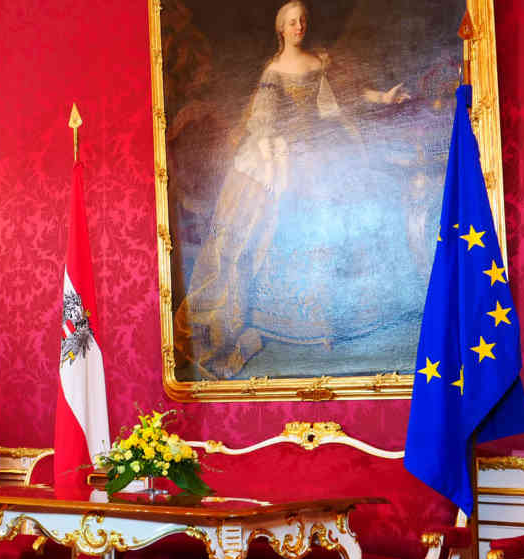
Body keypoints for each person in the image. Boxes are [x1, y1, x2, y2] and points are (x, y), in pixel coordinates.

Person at [174, 0, 417, 379]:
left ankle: (338, 316)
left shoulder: (320, 62)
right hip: (289, 154)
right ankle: (287, 318)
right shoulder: (274, 71)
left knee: (345, 213)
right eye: (292, 22)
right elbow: (264, 119)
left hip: (323, 151)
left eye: (303, 20)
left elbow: (344, 101)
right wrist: (272, 148)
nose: (299, 26)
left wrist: (384, 98)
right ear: (282, 29)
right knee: (278, 221)